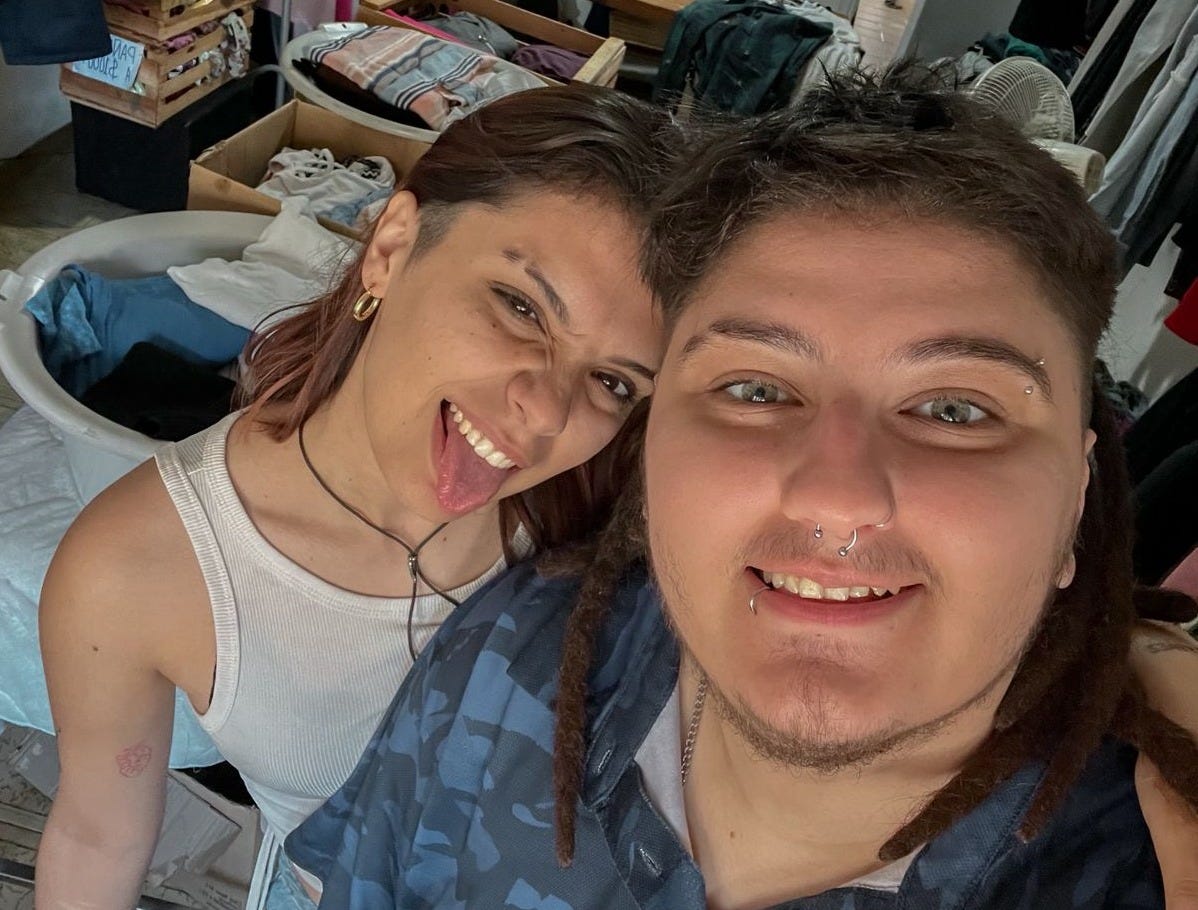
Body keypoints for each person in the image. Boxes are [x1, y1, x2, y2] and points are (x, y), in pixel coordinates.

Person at [285, 71, 1198, 909]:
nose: (836, 498)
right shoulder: (509, 658)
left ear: (1078, 498)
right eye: (755, 389)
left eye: (955, 410)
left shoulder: (1135, 875)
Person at [34, 84, 680, 909]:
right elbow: (98, 835)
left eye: (614, 381)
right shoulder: (137, 569)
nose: (549, 412)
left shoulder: (608, 517)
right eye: (521, 307)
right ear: (392, 247)